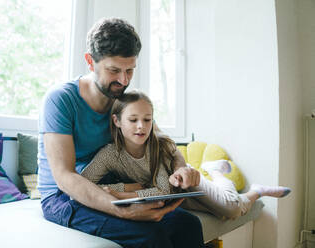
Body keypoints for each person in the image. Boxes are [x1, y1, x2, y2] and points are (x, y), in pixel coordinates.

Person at [38, 17, 205, 248]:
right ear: (90, 61)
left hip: (112, 187)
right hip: (63, 198)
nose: (123, 80)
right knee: (150, 237)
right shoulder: (60, 100)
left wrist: (180, 168)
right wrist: (125, 212)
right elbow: (64, 177)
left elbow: (164, 142)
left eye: (130, 70)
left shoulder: (123, 101)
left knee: (188, 225)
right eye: (114, 70)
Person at [81, 90, 292, 219]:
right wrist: (129, 187)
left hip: (185, 181)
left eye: (147, 120)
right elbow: (82, 184)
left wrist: (119, 195)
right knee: (218, 211)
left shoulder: (158, 146)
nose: (141, 127)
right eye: (133, 119)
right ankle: (217, 173)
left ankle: (249, 188)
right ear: (117, 121)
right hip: (176, 195)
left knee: (231, 209)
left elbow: (162, 191)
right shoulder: (109, 155)